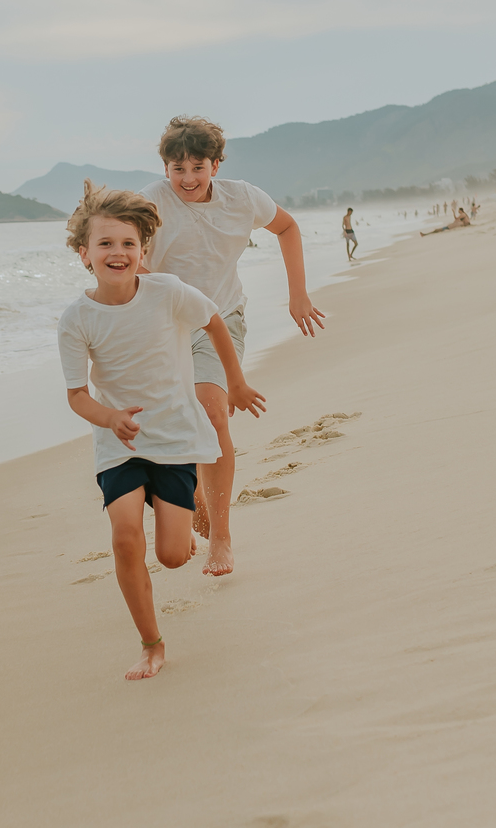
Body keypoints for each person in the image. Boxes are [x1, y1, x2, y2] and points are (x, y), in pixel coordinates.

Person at [57, 183, 265, 681]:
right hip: (119, 443)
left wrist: (234, 381)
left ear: (143, 250)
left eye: (128, 243)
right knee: (126, 538)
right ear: (83, 253)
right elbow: (77, 395)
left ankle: (183, 504)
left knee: (172, 557)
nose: (118, 252)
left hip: (174, 440)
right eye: (105, 243)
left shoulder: (167, 292)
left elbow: (214, 321)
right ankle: (152, 644)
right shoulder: (76, 320)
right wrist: (109, 418)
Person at [141, 115, 323, 578]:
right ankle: (195, 493)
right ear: (165, 168)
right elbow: (124, 254)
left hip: (221, 319)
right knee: (171, 427)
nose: (186, 178)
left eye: (197, 167)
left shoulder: (242, 198)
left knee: (211, 410)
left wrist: (297, 293)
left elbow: (287, 228)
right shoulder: (149, 204)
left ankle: (221, 536)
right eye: (177, 168)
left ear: (216, 165)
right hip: (161, 327)